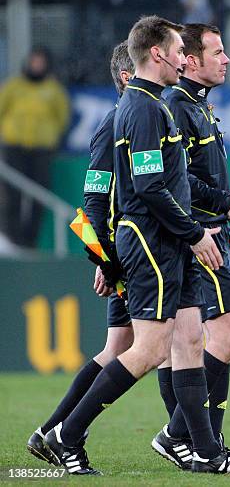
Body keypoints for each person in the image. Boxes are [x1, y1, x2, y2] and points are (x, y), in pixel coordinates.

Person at [43, 16, 228, 475]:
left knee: (186, 339)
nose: (185, 60)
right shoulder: (143, 109)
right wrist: (192, 233)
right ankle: (64, 435)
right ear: (158, 54)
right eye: (177, 51)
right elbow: (146, 187)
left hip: (167, 241)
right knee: (146, 350)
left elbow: (168, 181)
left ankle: (204, 450)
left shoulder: (149, 106)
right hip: (153, 241)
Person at [157, 23, 230, 473]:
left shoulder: (198, 107)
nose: (226, 59)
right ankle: (187, 436)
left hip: (213, 231)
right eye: (217, 52)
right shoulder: (176, 108)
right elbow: (177, 180)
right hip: (196, 237)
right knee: (223, 335)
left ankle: (196, 439)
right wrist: (225, 206)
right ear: (188, 58)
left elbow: (206, 179)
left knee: (178, 345)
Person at [26, 41, 135, 467]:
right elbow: (94, 199)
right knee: (157, 346)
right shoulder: (113, 126)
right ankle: (64, 433)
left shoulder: (137, 119)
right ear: (129, 75)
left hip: (127, 253)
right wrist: (106, 260)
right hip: (128, 254)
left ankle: (50, 431)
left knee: (120, 348)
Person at [0, 48, 70, 247]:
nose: (36, 65)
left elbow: (62, 117)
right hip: (14, 147)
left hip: (41, 150)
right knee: (11, 195)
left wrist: (51, 136)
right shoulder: (13, 86)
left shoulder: (53, 90)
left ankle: (29, 241)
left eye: (41, 61)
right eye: (34, 61)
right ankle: (10, 239)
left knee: (39, 196)